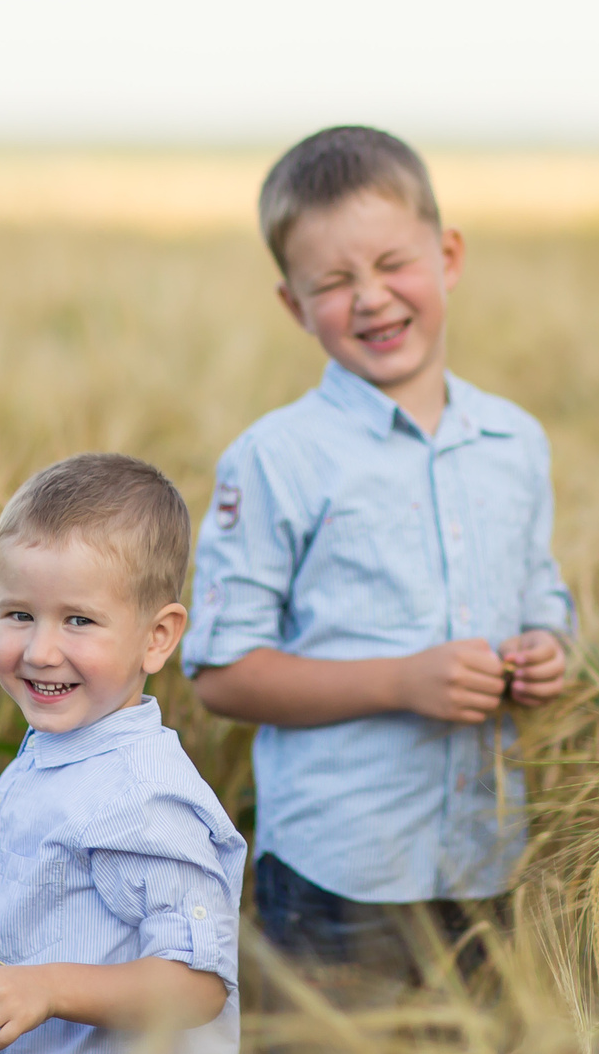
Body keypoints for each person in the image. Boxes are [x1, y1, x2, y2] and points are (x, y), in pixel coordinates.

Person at [183, 124, 573, 1003]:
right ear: (292, 304)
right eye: (333, 282)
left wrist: (548, 647)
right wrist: (402, 682)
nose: (371, 299)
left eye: (394, 263)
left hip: (484, 855)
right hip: (339, 871)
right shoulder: (277, 458)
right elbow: (221, 671)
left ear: (449, 255)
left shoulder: (514, 441)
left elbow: (541, 594)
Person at [0, 454, 247, 1054]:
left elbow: (197, 981)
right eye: (18, 614)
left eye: (79, 619)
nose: (41, 649)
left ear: (157, 635)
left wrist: (46, 987)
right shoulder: (58, 754)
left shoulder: (141, 787)